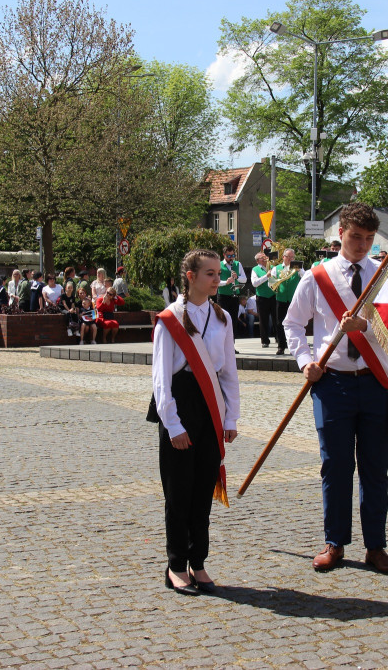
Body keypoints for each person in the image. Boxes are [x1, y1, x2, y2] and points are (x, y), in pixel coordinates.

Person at [283, 203, 388, 575]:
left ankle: (376, 546)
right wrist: (306, 362)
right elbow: (292, 324)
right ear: (340, 233)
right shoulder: (317, 277)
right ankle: (334, 542)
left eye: (369, 239)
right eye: (356, 237)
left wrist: (366, 328)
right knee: (335, 466)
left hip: (374, 383)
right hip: (332, 384)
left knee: (375, 469)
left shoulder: (384, 275)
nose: (363, 245)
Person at [152, 249, 239, 595]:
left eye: (218, 274)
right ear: (190, 277)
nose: (217, 279)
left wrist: (230, 416)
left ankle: (198, 562)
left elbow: (229, 372)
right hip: (180, 404)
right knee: (179, 491)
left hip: (211, 405)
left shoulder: (223, 318)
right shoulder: (170, 318)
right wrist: (173, 425)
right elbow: (161, 379)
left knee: (203, 489)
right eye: (210, 274)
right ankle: (175, 565)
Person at [269, 248, 303, 356]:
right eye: (288, 257)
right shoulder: (276, 268)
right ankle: (281, 346)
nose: (290, 259)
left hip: (293, 300)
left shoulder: (298, 267)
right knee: (280, 323)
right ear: (283, 257)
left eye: (292, 257)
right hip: (281, 299)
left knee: (294, 323)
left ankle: (294, 347)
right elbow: (271, 283)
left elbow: (306, 277)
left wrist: (300, 271)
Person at [216, 245, 246, 337]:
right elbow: (215, 282)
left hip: (234, 296)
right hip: (223, 296)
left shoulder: (238, 264)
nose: (231, 258)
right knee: (223, 320)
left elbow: (244, 279)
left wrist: (237, 277)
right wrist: (226, 282)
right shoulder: (219, 265)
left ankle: (231, 345)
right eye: (229, 256)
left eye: (233, 256)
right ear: (224, 255)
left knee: (233, 320)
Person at [250, 252, 277, 349]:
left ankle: (278, 338)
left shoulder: (273, 266)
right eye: (262, 258)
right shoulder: (255, 269)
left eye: (265, 257)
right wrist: (267, 276)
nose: (265, 259)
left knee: (277, 319)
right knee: (263, 320)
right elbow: (255, 283)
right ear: (258, 261)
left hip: (274, 296)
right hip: (262, 297)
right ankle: (265, 341)